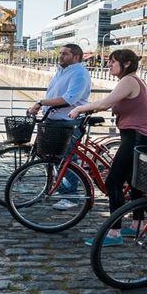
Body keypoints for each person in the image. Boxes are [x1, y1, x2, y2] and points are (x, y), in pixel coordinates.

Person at [70, 49, 147, 246]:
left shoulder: (128, 81)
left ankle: (115, 233)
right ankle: (137, 225)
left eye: (112, 61)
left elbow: (105, 103)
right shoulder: (130, 81)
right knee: (132, 182)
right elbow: (111, 105)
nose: (108, 65)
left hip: (137, 137)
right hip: (138, 137)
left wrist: (79, 108)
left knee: (113, 182)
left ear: (126, 63)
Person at [26, 43, 91, 210]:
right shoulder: (61, 71)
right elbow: (55, 94)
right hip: (55, 121)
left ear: (76, 57)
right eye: (60, 53)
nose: (60, 56)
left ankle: (71, 197)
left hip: (67, 121)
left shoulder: (79, 74)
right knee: (55, 158)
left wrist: (41, 102)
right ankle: (61, 190)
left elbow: (69, 99)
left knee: (67, 159)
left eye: (65, 54)